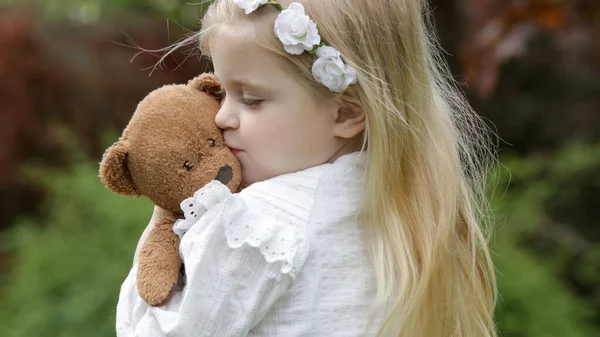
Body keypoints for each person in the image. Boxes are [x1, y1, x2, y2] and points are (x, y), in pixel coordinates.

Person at [116, 0, 498, 336]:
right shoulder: (406, 210)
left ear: (347, 111)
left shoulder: (256, 223)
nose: (222, 117)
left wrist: (165, 217)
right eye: (221, 92)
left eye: (251, 99)